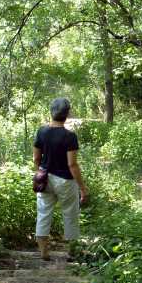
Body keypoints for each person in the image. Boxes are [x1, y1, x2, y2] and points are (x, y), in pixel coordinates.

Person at [33, 97, 88, 261]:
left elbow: (36, 159)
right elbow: (72, 165)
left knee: (43, 214)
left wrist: (40, 174)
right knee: (70, 214)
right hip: (65, 181)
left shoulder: (41, 132)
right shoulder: (70, 136)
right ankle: (72, 252)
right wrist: (83, 188)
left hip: (45, 179)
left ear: (51, 112)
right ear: (67, 114)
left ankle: (44, 252)